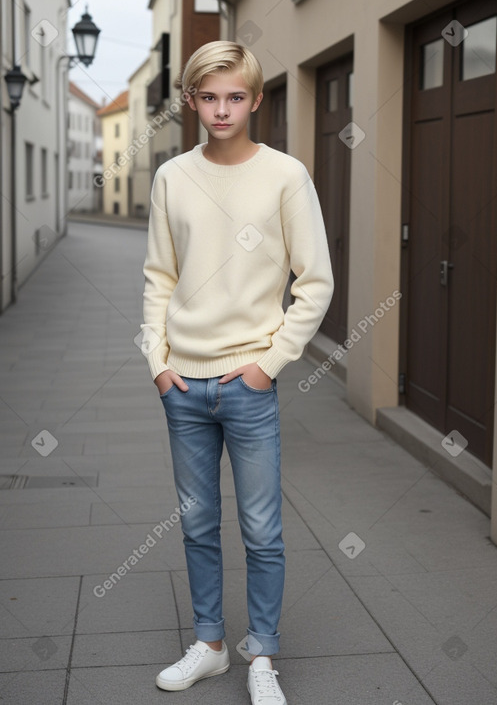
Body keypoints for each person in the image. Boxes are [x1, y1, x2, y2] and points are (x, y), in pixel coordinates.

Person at [140, 40, 334, 704]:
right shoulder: (172, 177)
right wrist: (159, 366)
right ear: (191, 100)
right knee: (196, 523)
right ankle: (211, 645)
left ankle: (263, 654)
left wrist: (269, 364)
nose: (221, 109)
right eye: (207, 96)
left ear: (255, 99)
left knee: (261, 528)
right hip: (183, 387)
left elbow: (316, 283)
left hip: (248, 386)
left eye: (235, 96)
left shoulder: (285, 175)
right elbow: (158, 278)